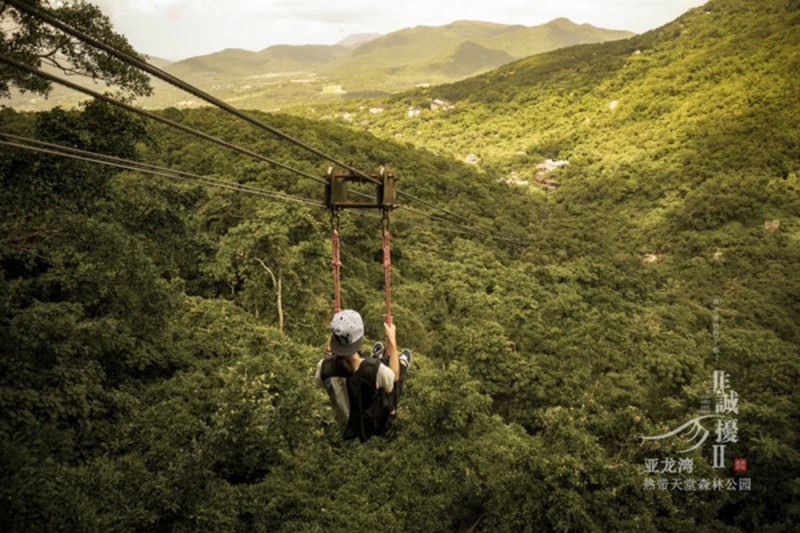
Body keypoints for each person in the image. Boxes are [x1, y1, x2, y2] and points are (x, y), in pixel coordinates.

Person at [315, 309, 411, 441]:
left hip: (348, 427)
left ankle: (378, 355)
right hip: (373, 425)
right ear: (359, 337)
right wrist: (392, 342)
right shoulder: (376, 371)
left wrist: (338, 331)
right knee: (393, 378)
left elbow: (327, 362)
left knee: (367, 359)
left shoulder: (323, 368)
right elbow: (394, 377)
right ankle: (403, 362)